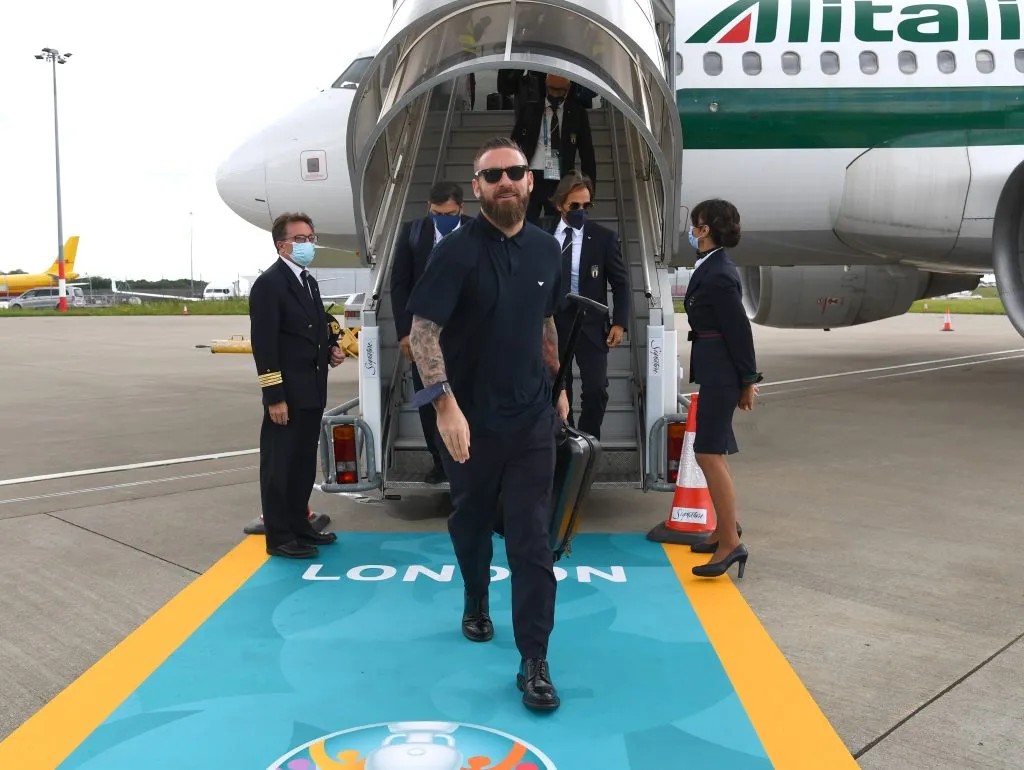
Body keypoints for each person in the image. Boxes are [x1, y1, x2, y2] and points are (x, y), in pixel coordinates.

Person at [405, 136, 570, 712]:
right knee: (471, 522)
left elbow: (545, 323)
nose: (505, 183)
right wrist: (444, 403)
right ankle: (476, 594)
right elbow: (423, 332)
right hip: (469, 423)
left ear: (530, 182)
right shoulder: (454, 252)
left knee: (531, 539)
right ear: (477, 189)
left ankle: (534, 659)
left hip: (531, 421)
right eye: (492, 176)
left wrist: (561, 386)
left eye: (515, 173)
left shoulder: (549, 251)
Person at [249, 212, 347, 559]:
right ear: (282, 245)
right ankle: (279, 537)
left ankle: (300, 524)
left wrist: (332, 349)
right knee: (279, 466)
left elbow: (316, 326)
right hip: (286, 396)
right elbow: (265, 346)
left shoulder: (308, 281)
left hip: (311, 390)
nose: (308, 244)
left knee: (303, 463)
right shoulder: (269, 285)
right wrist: (274, 396)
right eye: (300, 239)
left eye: (310, 237)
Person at [682, 199, 762, 578]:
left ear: (705, 229)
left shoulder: (718, 273)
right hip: (716, 369)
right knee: (713, 452)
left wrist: (748, 380)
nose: (691, 228)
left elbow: (738, 329)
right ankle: (724, 530)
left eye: (695, 222)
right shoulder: (711, 266)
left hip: (722, 373)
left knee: (708, 453)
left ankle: (731, 543)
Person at [390, 181, 474, 484]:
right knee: (430, 400)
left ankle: (468, 461)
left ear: (461, 210)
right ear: (429, 208)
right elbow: (399, 284)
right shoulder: (414, 232)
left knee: (466, 399)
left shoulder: (476, 232)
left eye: (450, 213)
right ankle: (440, 462)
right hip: (424, 338)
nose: (443, 218)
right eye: (437, 212)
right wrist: (404, 333)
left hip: (465, 336)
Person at [548, 170, 630, 440]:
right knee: (560, 387)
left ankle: (588, 441)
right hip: (554, 323)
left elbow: (620, 282)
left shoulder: (604, 238)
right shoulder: (542, 235)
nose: (581, 211)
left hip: (591, 324)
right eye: (575, 206)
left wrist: (619, 322)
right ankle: (565, 440)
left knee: (596, 388)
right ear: (560, 204)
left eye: (586, 205)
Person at [510, 73, 596, 225]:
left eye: (560, 91)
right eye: (552, 89)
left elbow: (587, 153)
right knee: (525, 223)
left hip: (561, 178)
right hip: (532, 175)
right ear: (545, 86)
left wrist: (589, 188)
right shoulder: (530, 109)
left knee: (558, 225)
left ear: (568, 88)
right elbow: (514, 143)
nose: (555, 94)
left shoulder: (577, 114)